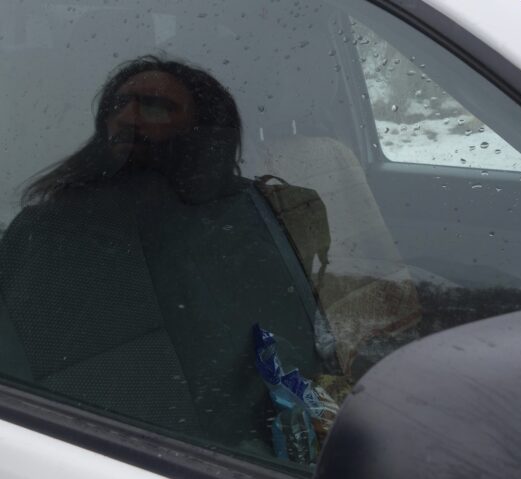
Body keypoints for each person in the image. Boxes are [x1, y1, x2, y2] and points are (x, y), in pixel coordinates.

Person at [0, 55, 322, 452]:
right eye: (119, 105)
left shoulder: (243, 218)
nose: (128, 118)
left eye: (154, 106)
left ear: (202, 131)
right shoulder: (51, 232)